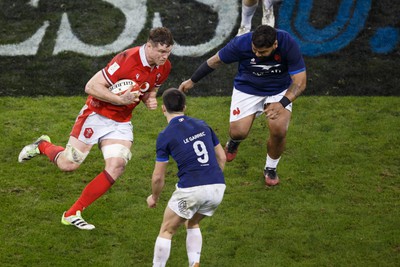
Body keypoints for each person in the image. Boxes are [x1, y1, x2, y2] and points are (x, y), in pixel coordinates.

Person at [18, 27, 174, 230]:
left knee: (117, 165)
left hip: (121, 121)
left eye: (168, 51)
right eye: (161, 51)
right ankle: (42, 145)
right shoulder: (126, 60)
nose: (165, 56)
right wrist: (119, 99)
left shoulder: (165, 66)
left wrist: (149, 100)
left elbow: (150, 90)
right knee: (68, 164)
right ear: (150, 46)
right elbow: (91, 86)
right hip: (96, 115)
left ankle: (73, 212)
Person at [179, 25, 306, 186]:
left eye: (262, 52)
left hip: (278, 90)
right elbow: (215, 60)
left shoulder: (287, 42)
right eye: (255, 50)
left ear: (275, 45)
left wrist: (282, 103)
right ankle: (234, 142)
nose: (257, 55)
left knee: (279, 130)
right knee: (238, 132)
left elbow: (300, 82)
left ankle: (270, 168)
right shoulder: (241, 43)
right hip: (247, 88)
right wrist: (192, 80)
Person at [146, 88, 226, 267]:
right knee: (192, 222)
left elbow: (158, 176)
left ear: (163, 109)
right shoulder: (203, 125)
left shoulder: (165, 136)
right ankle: (194, 262)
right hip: (217, 188)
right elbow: (222, 157)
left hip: (191, 189)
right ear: (185, 106)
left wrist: (154, 197)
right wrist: (212, 179)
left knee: (167, 230)